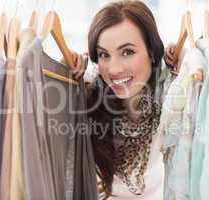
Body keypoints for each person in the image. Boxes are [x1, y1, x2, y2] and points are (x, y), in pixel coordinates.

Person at [73, 1, 177, 199]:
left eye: (127, 52)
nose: (114, 69)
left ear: (152, 52)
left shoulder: (173, 102)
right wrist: (62, 80)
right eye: (104, 54)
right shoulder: (85, 104)